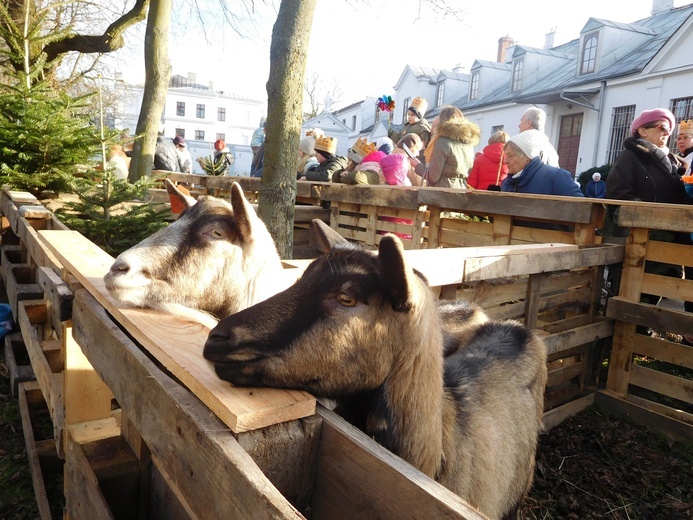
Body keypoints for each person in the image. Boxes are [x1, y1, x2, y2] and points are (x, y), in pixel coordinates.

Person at [606, 107, 693, 340]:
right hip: (638, 240)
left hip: (670, 241)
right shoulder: (631, 156)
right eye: (661, 127)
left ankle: (638, 341)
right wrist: (649, 218)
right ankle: (622, 343)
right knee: (631, 294)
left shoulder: (676, 163)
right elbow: (617, 194)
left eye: (669, 129)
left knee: (657, 290)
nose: (667, 133)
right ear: (642, 131)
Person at [407, 105, 480, 189]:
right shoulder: (468, 144)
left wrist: (417, 165)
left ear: (443, 122)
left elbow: (432, 177)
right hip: (460, 191)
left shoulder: (443, 142)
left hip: (442, 193)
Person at [500, 132, 584, 197]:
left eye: (510, 156)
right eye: (505, 156)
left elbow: (581, 210)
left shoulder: (556, 177)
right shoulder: (506, 183)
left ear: (527, 157)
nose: (505, 161)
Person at [390, 97, 432, 163]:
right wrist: (391, 134)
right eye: (408, 114)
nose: (409, 117)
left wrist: (417, 162)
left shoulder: (423, 128)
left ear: (419, 116)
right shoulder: (406, 126)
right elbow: (400, 140)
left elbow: (423, 149)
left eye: (412, 115)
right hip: (402, 157)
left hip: (415, 159)